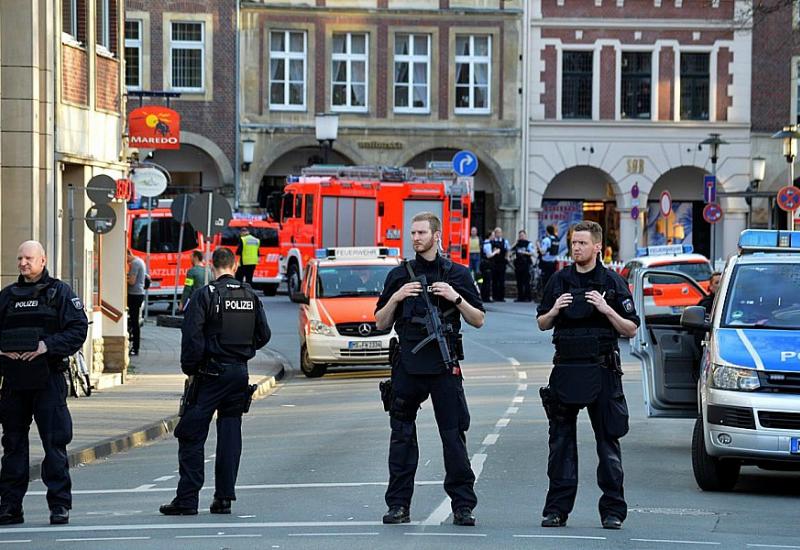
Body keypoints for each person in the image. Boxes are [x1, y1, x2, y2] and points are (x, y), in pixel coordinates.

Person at [375, 212, 485, 526]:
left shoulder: (457, 274)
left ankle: (463, 506)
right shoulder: (398, 275)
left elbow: (478, 319)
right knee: (401, 437)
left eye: (421, 232)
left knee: (453, 438)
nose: (415, 238)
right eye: (412, 233)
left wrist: (456, 297)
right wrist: (395, 298)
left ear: (436, 235)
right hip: (408, 364)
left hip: (443, 365)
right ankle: (398, 506)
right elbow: (381, 322)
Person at [536, 221, 639, 530]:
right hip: (566, 369)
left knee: (608, 443)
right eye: (573, 242)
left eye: (582, 243)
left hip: (603, 369)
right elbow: (542, 323)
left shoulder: (612, 281)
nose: (576, 248)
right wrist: (554, 310)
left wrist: (606, 309)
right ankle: (556, 510)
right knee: (561, 444)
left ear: (597, 247)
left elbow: (631, 328)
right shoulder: (559, 280)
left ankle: (612, 511)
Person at [160, 247, 271, 516]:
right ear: (234, 265)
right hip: (239, 374)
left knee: (191, 433)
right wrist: (244, 352)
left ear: (213, 266)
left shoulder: (204, 296)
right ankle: (224, 498)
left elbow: (192, 338)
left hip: (210, 375)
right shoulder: (250, 296)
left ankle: (187, 500)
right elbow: (264, 334)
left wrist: (191, 369)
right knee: (230, 436)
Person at [0, 241, 88, 525]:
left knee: (55, 444)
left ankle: (59, 505)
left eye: (28, 258)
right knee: (13, 445)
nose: (23, 263)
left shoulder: (59, 293)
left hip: (48, 377)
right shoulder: (7, 297)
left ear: (42, 260)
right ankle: (10, 506)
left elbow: (77, 330)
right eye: (20, 258)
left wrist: (46, 346)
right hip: (14, 381)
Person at [126, 249, 146, 356]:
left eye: (126, 257)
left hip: (134, 294)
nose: (126, 261)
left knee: (134, 322)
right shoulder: (140, 261)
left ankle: (135, 347)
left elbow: (132, 281)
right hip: (138, 294)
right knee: (134, 321)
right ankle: (134, 346)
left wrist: (123, 278)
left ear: (128, 254)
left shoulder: (135, 263)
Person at [486, 227, 510, 302]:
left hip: (502, 263)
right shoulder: (491, 242)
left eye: (500, 232)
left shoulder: (505, 241)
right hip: (494, 263)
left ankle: (501, 297)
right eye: (497, 232)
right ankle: (495, 296)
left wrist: (507, 257)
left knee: (502, 280)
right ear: (495, 233)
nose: (499, 234)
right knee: (495, 280)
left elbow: (507, 250)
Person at [512, 230, 535, 302]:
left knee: (526, 281)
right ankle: (520, 297)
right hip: (518, 264)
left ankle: (527, 297)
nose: (521, 237)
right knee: (519, 281)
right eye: (520, 235)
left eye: (522, 235)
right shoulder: (517, 244)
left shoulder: (528, 243)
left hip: (526, 264)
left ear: (525, 236)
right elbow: (510, 249)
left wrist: (524, 252)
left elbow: (532, 253)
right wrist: (515, 243)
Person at [539, 225, 559, 290]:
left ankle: (545, 294)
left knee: (545, 280)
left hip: (546, 263)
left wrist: (538, 246)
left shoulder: (546, 240)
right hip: (553, 262)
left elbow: (543, 252)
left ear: (547, 231)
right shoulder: (556, 239)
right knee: (552, 279)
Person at [479, 230, 494, 302]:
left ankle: (484, 296)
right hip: (487, 265)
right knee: (487, 281)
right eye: (493, 235)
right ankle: (486, 297)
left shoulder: (484, 242)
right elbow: (489, 255)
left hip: (484, 264)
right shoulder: (488, 244)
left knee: (485, 281)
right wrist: (495, 252)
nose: (494, 237)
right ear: (490, 236)